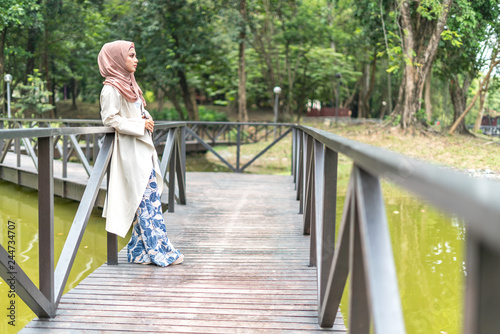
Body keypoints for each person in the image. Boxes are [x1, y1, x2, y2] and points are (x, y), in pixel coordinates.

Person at [97, 40, 183, 267]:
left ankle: (137, 252)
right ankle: (161, 252)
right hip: (130, 152)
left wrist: (147, 119)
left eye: (135, 56)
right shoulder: (111, 88)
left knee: (150, 201)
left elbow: (136, 111)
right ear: (116, 59)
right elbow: (110, 119)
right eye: (132, 55)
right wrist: (139, 125)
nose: (136, 60)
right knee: (146, 203)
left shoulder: (130, 83)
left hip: (143, 150)